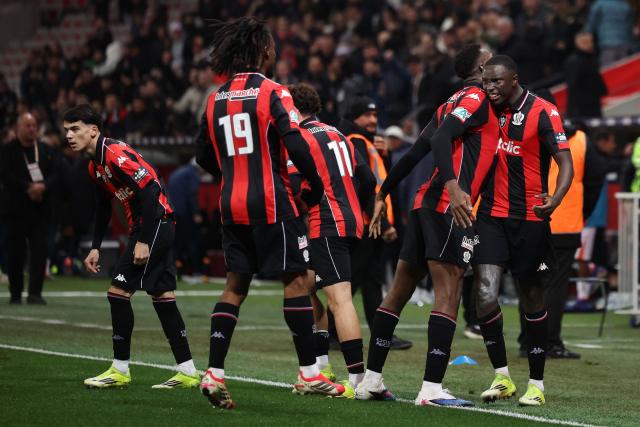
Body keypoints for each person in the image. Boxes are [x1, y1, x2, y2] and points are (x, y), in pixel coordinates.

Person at [194, 17, 343, 409]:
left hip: (231, 204)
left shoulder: (214, 98)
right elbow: (295, 144)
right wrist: (316, 184)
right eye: (272, 47)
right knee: (298, 280)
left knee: (234, 286)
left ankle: (214, 372)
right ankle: (311, 373)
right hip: (274, 202)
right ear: (262, 51)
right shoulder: (273, 92)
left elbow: (200, 155)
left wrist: (230, 173)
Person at [356, 44, 497, 406]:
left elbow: (416, 151)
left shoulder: (450, 101)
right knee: (447, 291)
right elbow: (438, 139)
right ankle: (431, 389)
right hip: (447, 205)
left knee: (399, 291)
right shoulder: (476, 97)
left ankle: (371, 381)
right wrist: (453, 185)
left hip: (423, 203)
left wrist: (382, 193)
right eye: (490, 58)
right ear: (481, 68)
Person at [62, 104, 200, 390]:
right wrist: (96, 246)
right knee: (162, 296)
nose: (69, 135)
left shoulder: (114, 155)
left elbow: (151, 191)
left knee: (118, 293)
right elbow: (102, 208)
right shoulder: (94, 166)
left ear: (93, 130)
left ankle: (120, 369)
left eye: (75, 129)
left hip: (155, 224)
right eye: (66, 130)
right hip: (154, 226)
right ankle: (187, 371)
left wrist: (143, 240)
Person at [474, 55, 574, 407]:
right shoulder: (482, 108)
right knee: (485, 294)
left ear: (514, 79)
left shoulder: (543, 111)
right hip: (489, 216)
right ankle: (502, 377)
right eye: (486, 82)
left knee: (531, 296)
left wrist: (556, 199)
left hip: (530, 218)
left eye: (497, 82)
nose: (490, 88)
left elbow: (565, 161)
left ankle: (536, 384)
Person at [288, 83, 377, 398]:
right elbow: (366, 179)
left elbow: (298, 186)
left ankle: (357, 381)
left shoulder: (298, 138)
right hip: (348, 219)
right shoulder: (338, 134)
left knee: (339, 299)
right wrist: (354, 204)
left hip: (325, 222)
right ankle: (322, 367)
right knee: (305, 286)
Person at [518, 124, 605, 359]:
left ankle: (528, 340)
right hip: (565, 222)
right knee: (555, 285)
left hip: (529, 219)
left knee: (528, 281)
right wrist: (582, 212)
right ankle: (548, 342)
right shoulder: (580, 140)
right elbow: (596, 179)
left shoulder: (522, 131)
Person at [337, 97, 412, 351]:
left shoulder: (363, 142)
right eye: (366, 115)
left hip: (369, 222)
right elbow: (365, 185)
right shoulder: (356, 141)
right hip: (368, 222)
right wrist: (382, 222)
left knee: (369, 283)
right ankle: (333, 333)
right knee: (355, 280)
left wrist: (385, 155)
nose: (373, 120)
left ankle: (380, 334)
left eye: (375, 114)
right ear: (355, 117)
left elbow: (380, 178)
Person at [0, 112, 59, 304]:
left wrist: (43, 187)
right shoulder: (7, 151)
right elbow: (5, 175)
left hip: (40, 210)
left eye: (34, 125)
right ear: (18, 128)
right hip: (16, 211)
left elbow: (55, 174)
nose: (32, 129)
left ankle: (35, 293)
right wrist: (28, 188)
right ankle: (15, 293)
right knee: (15, 253)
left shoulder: (45, 150)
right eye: (28, 125)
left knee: (40, 252)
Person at [564, 32, 607, 119]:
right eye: (585, 42)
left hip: (592, 105)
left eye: (591, 42)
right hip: (581, 110)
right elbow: (573, 86)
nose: (589, 45)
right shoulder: (574, 61)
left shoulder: (590, 58)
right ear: (578, 44)